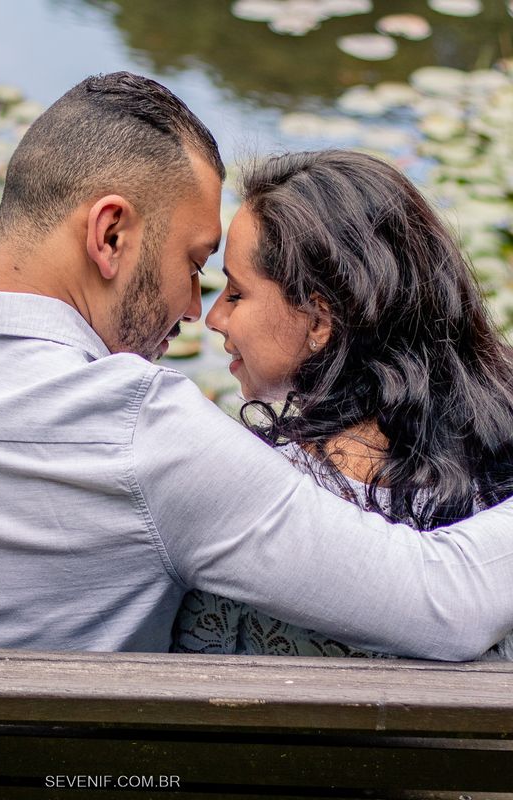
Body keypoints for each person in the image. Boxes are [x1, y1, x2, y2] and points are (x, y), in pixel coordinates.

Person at [0, 73, 513, 657]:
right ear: (110, 234)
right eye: (193, 262)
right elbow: (443, 603)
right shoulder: (142, 433)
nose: (192, 310)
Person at [173, 149, 513, 660]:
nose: (213, 317)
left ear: (319, 322)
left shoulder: (253, 497)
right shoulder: (494, 481)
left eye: (236, 294)